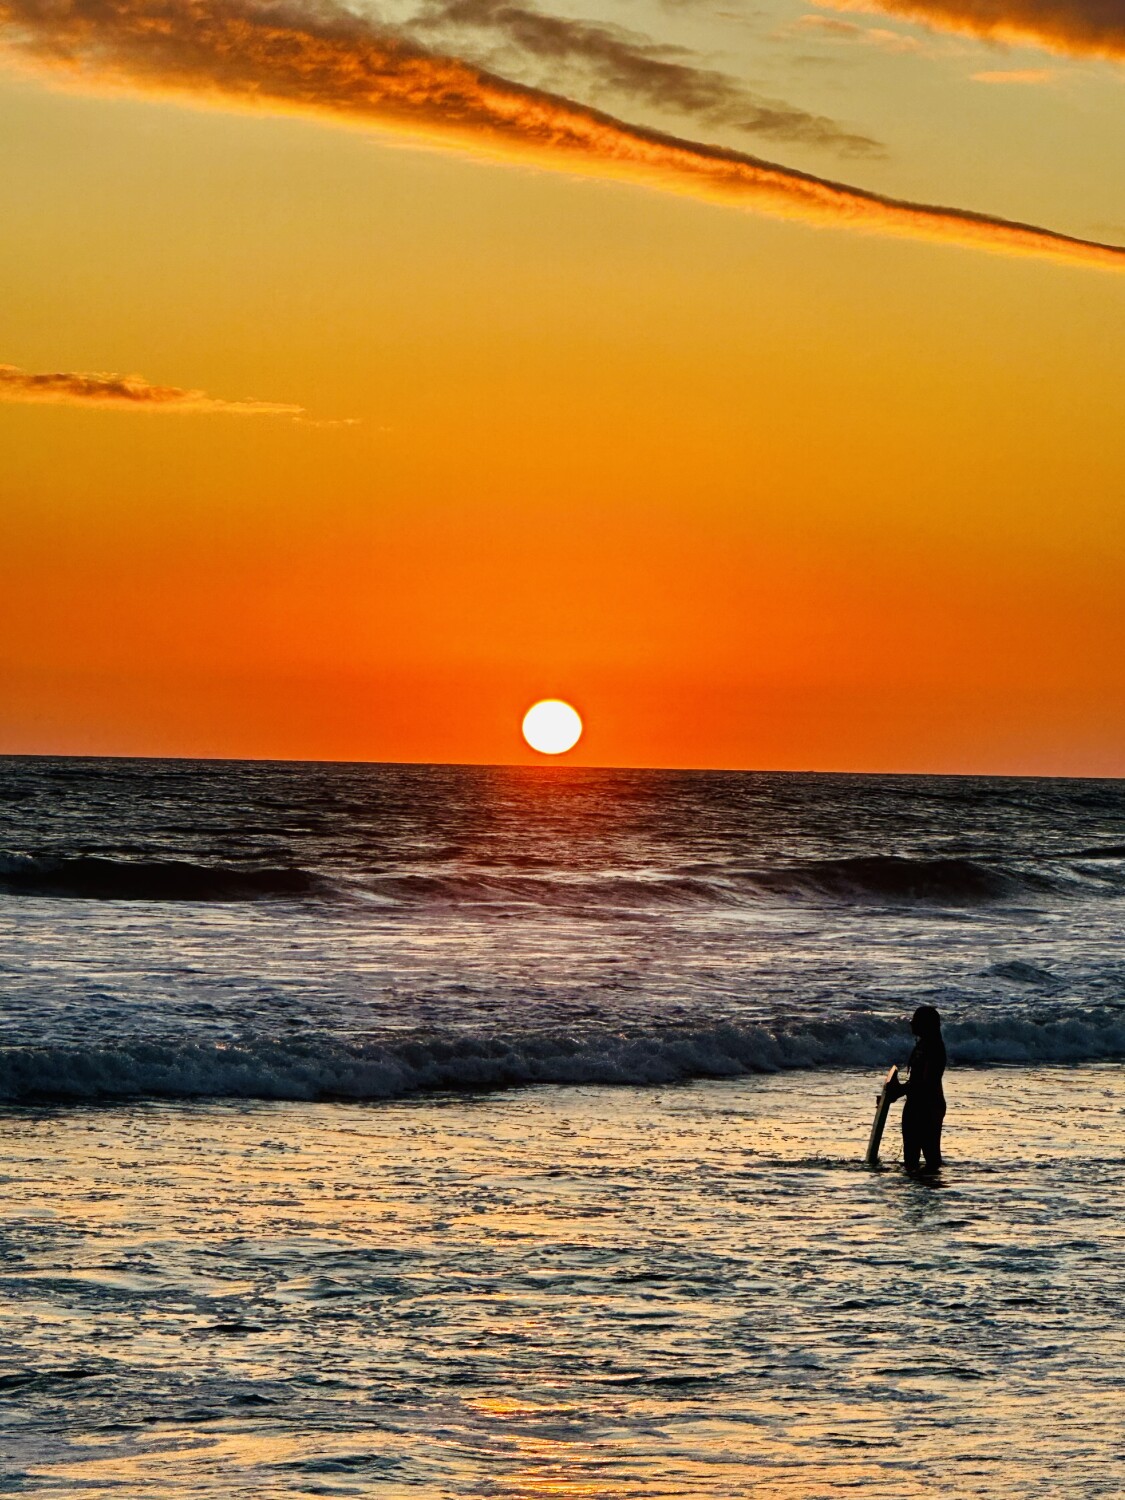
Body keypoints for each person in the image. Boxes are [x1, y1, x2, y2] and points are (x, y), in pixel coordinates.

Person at [889, 1005, 947, 1171]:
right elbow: (917, 1081)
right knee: (911, 1155)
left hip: (928, 1107)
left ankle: (928, 1188)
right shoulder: (925, 1044)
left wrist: (900, 1091)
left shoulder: (934, 1048)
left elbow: (926, 1082)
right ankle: (918, 1186)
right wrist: (899, 1091)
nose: (911, 1023)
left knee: (930, 1155)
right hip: (917, 1104)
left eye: (915, 1020)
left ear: (926, 1024)